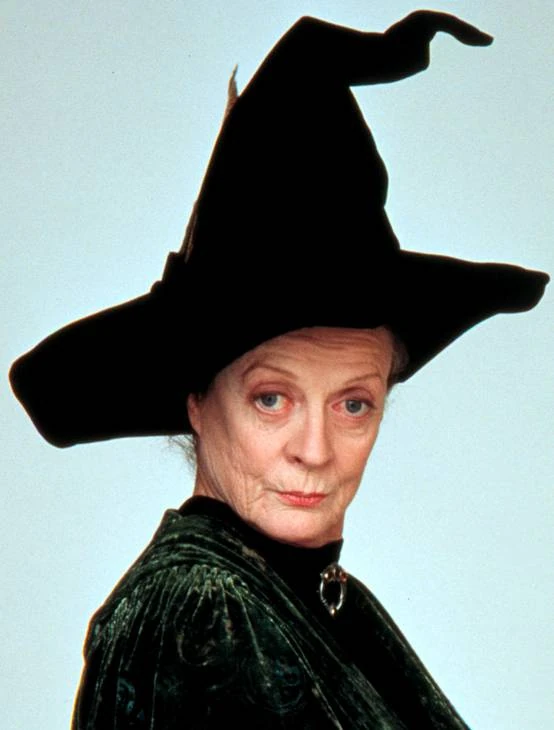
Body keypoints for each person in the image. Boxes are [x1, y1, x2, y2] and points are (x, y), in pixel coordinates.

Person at [9, 11, 548, 729]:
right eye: (271, 398)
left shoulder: (308, 594)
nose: (315, 451)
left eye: (353, 404)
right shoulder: (205, 610)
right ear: (197, 399)